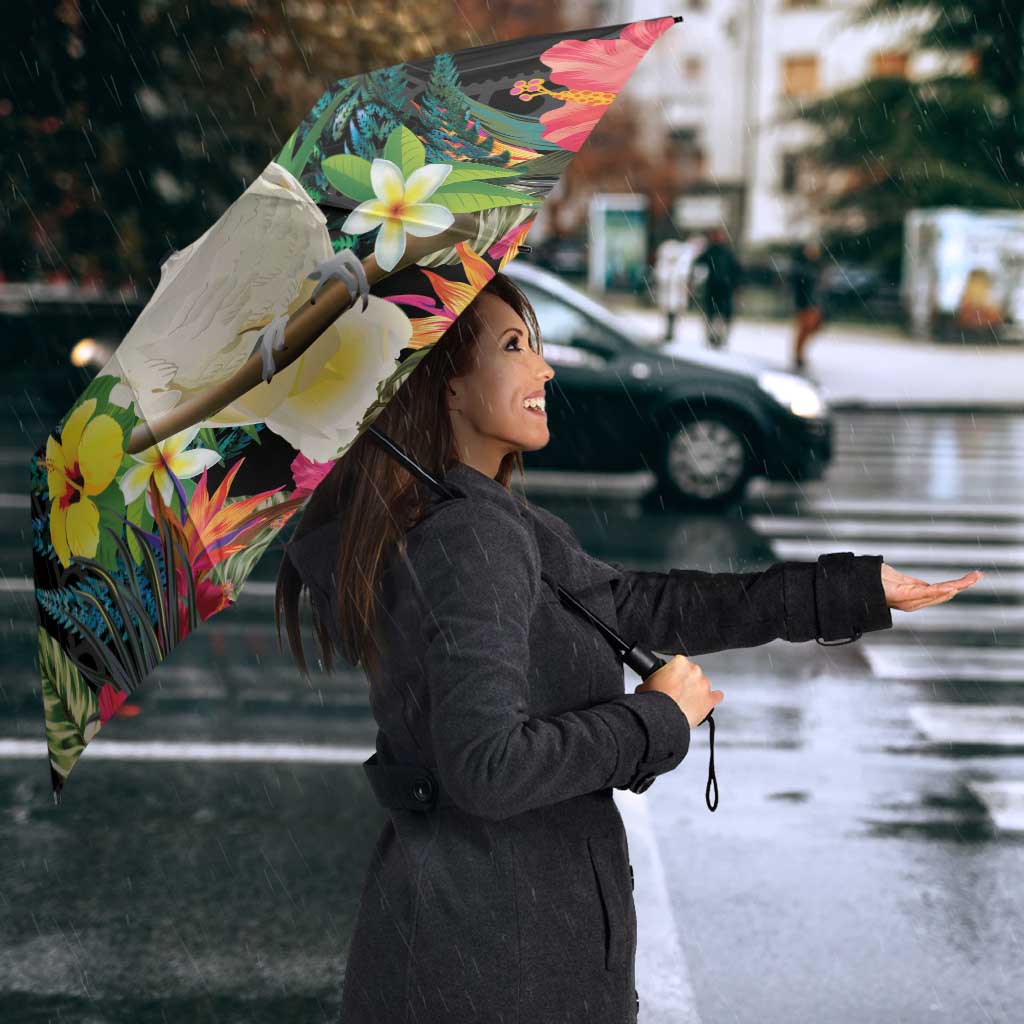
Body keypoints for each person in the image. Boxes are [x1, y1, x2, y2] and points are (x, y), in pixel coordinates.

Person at [277, 272, 981, 1024]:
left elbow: (641, 606)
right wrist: (656, 719)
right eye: (514, 347)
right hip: (499, 963)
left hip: (474, 941)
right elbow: (488, 767)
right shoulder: (471, 536)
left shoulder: (470, 518)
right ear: (445, 383)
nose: (545, 369)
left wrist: (848, 591)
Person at [692, 226, 742, 349]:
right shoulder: (714, 251)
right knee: (714, 314)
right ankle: (713, 337)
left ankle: (719, 337)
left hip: (722, 289)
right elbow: (698, 263)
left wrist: (735, 284)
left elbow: (736, 270)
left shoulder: (724, 252)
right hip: (716, 288)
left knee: (719, 315)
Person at [790, 239, 826, 371]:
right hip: (805, 303)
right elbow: (799, 286)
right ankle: (798, 355)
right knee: (804, 329)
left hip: (814, 303)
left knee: (812, 327)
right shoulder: (802, 267)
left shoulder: (816, 266)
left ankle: (799, 354)